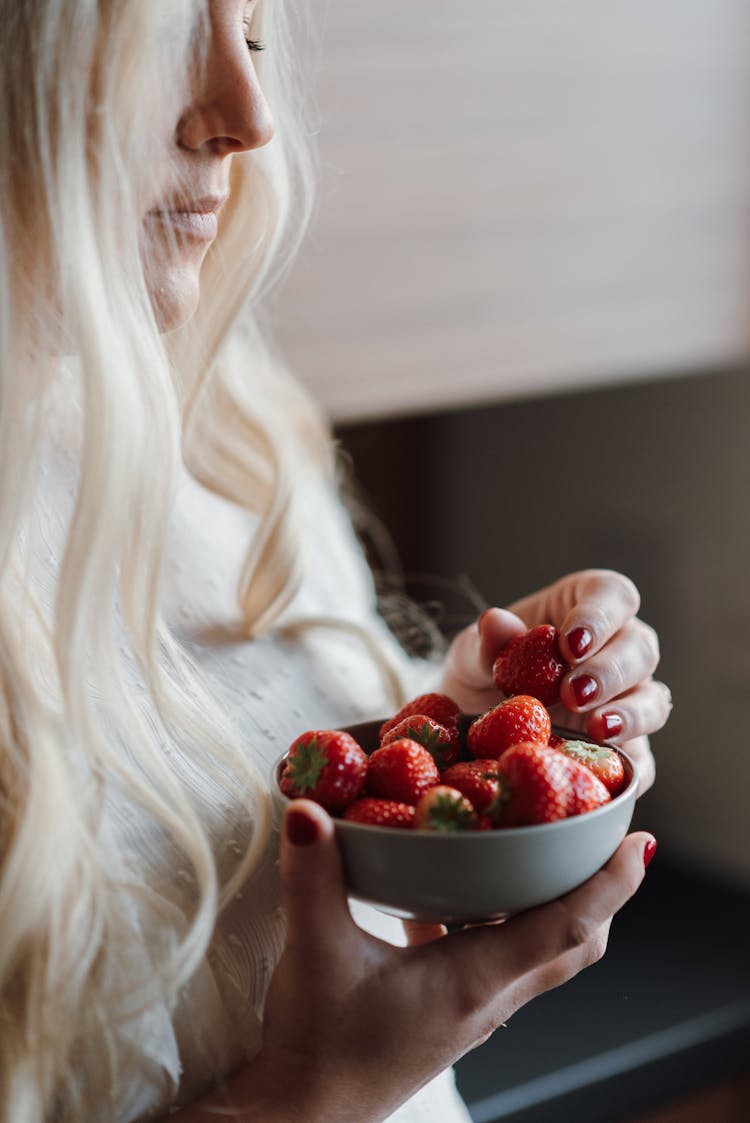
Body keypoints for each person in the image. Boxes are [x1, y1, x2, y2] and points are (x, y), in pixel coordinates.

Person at [0, 1, 671, 1121]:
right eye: (161, 32)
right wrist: (322, 1089)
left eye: (252, 29)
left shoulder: (227, 427)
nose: (247, 117)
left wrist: (444, 732)